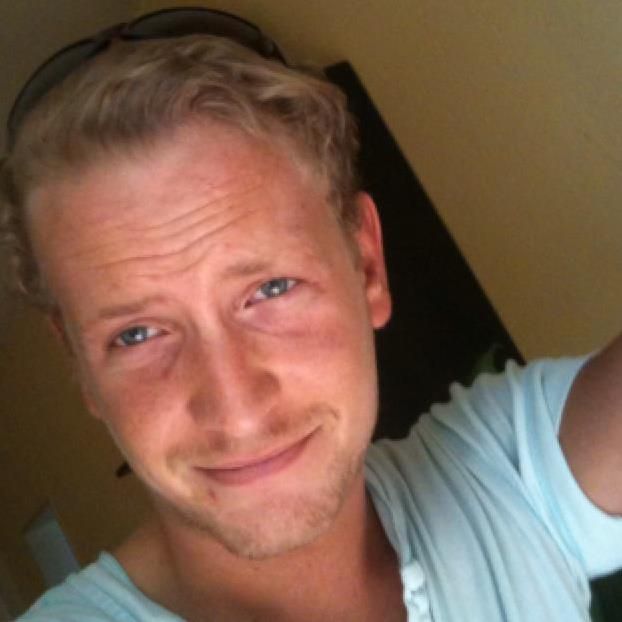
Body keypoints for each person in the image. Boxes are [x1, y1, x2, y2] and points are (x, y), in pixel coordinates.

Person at [2, 7, 621, 622]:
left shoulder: (499, 473)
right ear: (80, 366)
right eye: (137, 334)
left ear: (367, 265)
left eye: (271, 289)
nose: (237, 411)